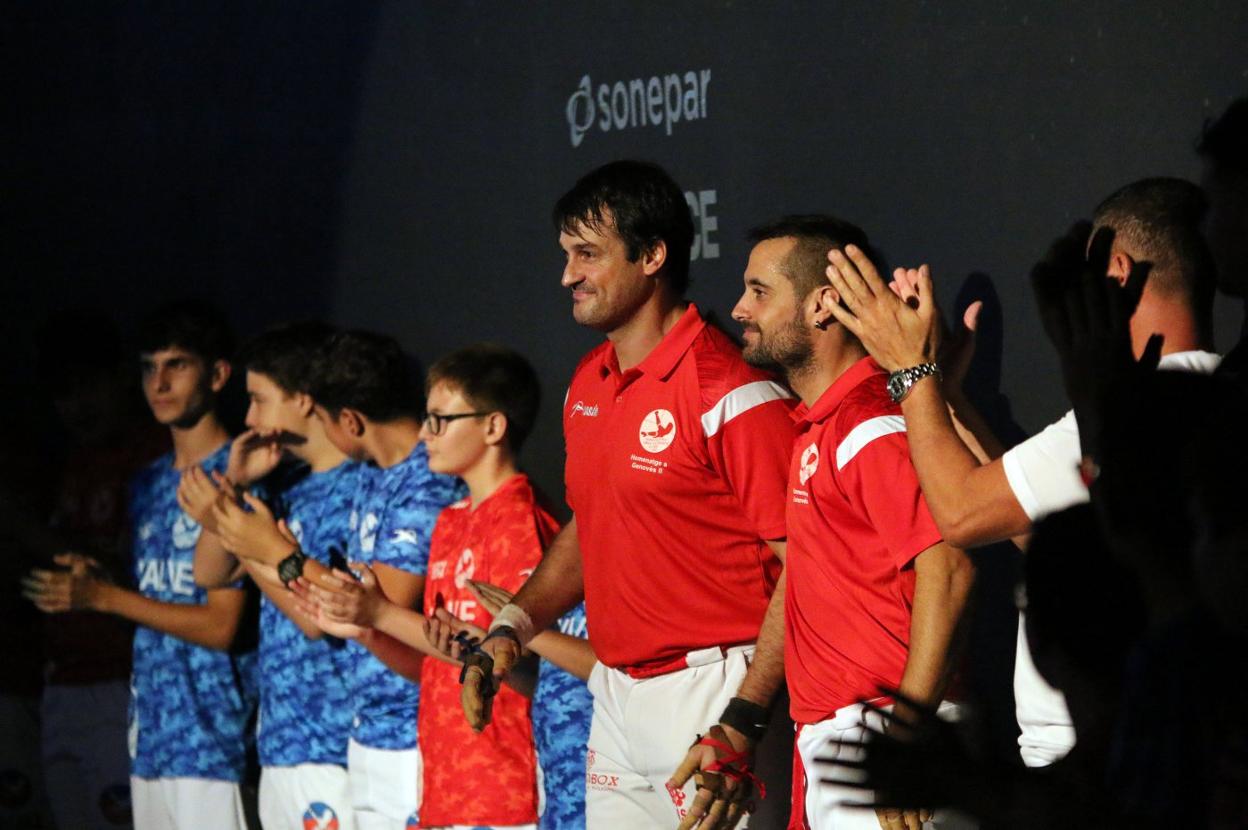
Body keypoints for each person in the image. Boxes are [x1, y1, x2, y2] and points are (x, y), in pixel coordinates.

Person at [820, 178, 1221, 768]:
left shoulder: (1138, 411)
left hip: (1091, 759)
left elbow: (962, 514)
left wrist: (910, 370)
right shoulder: (1219, 395)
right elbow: (1036, 529)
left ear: (1117, 271)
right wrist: (946, 398)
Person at [462, 160, 797, 829]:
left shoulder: (730, 389)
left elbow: (809, 563)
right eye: (566, 255)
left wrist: (746, 713)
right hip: (616, 697)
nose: (568, 276)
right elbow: (592, 523)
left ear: (651, 256)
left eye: (587, 254)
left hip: (716, 694)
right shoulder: (589, 380)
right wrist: (513, 626)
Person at [731, 216, 976, 830]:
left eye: (759, 291)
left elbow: (950, 567)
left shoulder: (871, 423)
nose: (738, 309)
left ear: (822, 304)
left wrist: (906, 736)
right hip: (845, 737)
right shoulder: (821, 425)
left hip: (885, 731)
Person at [298, 343, 574, 829]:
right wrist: (367, 630)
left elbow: (533, 666)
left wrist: (381, 612)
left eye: (440, 420)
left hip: (504, 788)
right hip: (446, 787)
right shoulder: (450, 521)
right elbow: (437, 664)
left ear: (493, 426)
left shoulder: (518, 519)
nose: (424, 433)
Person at [23, 300, 257, 830]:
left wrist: (103, 597)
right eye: (150, 367)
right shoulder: (147, 482)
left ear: (219, 375)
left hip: (214, 737)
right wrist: (99, 577)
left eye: (177, 365)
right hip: (150, 735)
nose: (160, 382)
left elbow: (221, 626)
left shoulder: (242, 470)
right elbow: (152, 598)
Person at [182, 321, 362, 830]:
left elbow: (317, 617)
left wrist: (249, 539)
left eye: (259, 399)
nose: (249, 418)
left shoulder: (357, 485)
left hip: (333, 743)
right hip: (280, 743)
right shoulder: (287, 483)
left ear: (303, 399)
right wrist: (236, 487)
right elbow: (209, 573)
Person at [304, 330, 464, 830]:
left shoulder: (429, 477)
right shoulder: (372, 472)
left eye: (322, 420)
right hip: (367, 730)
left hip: (413, 735)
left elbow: (379, 608)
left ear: (350, 420)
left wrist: (278, 555)